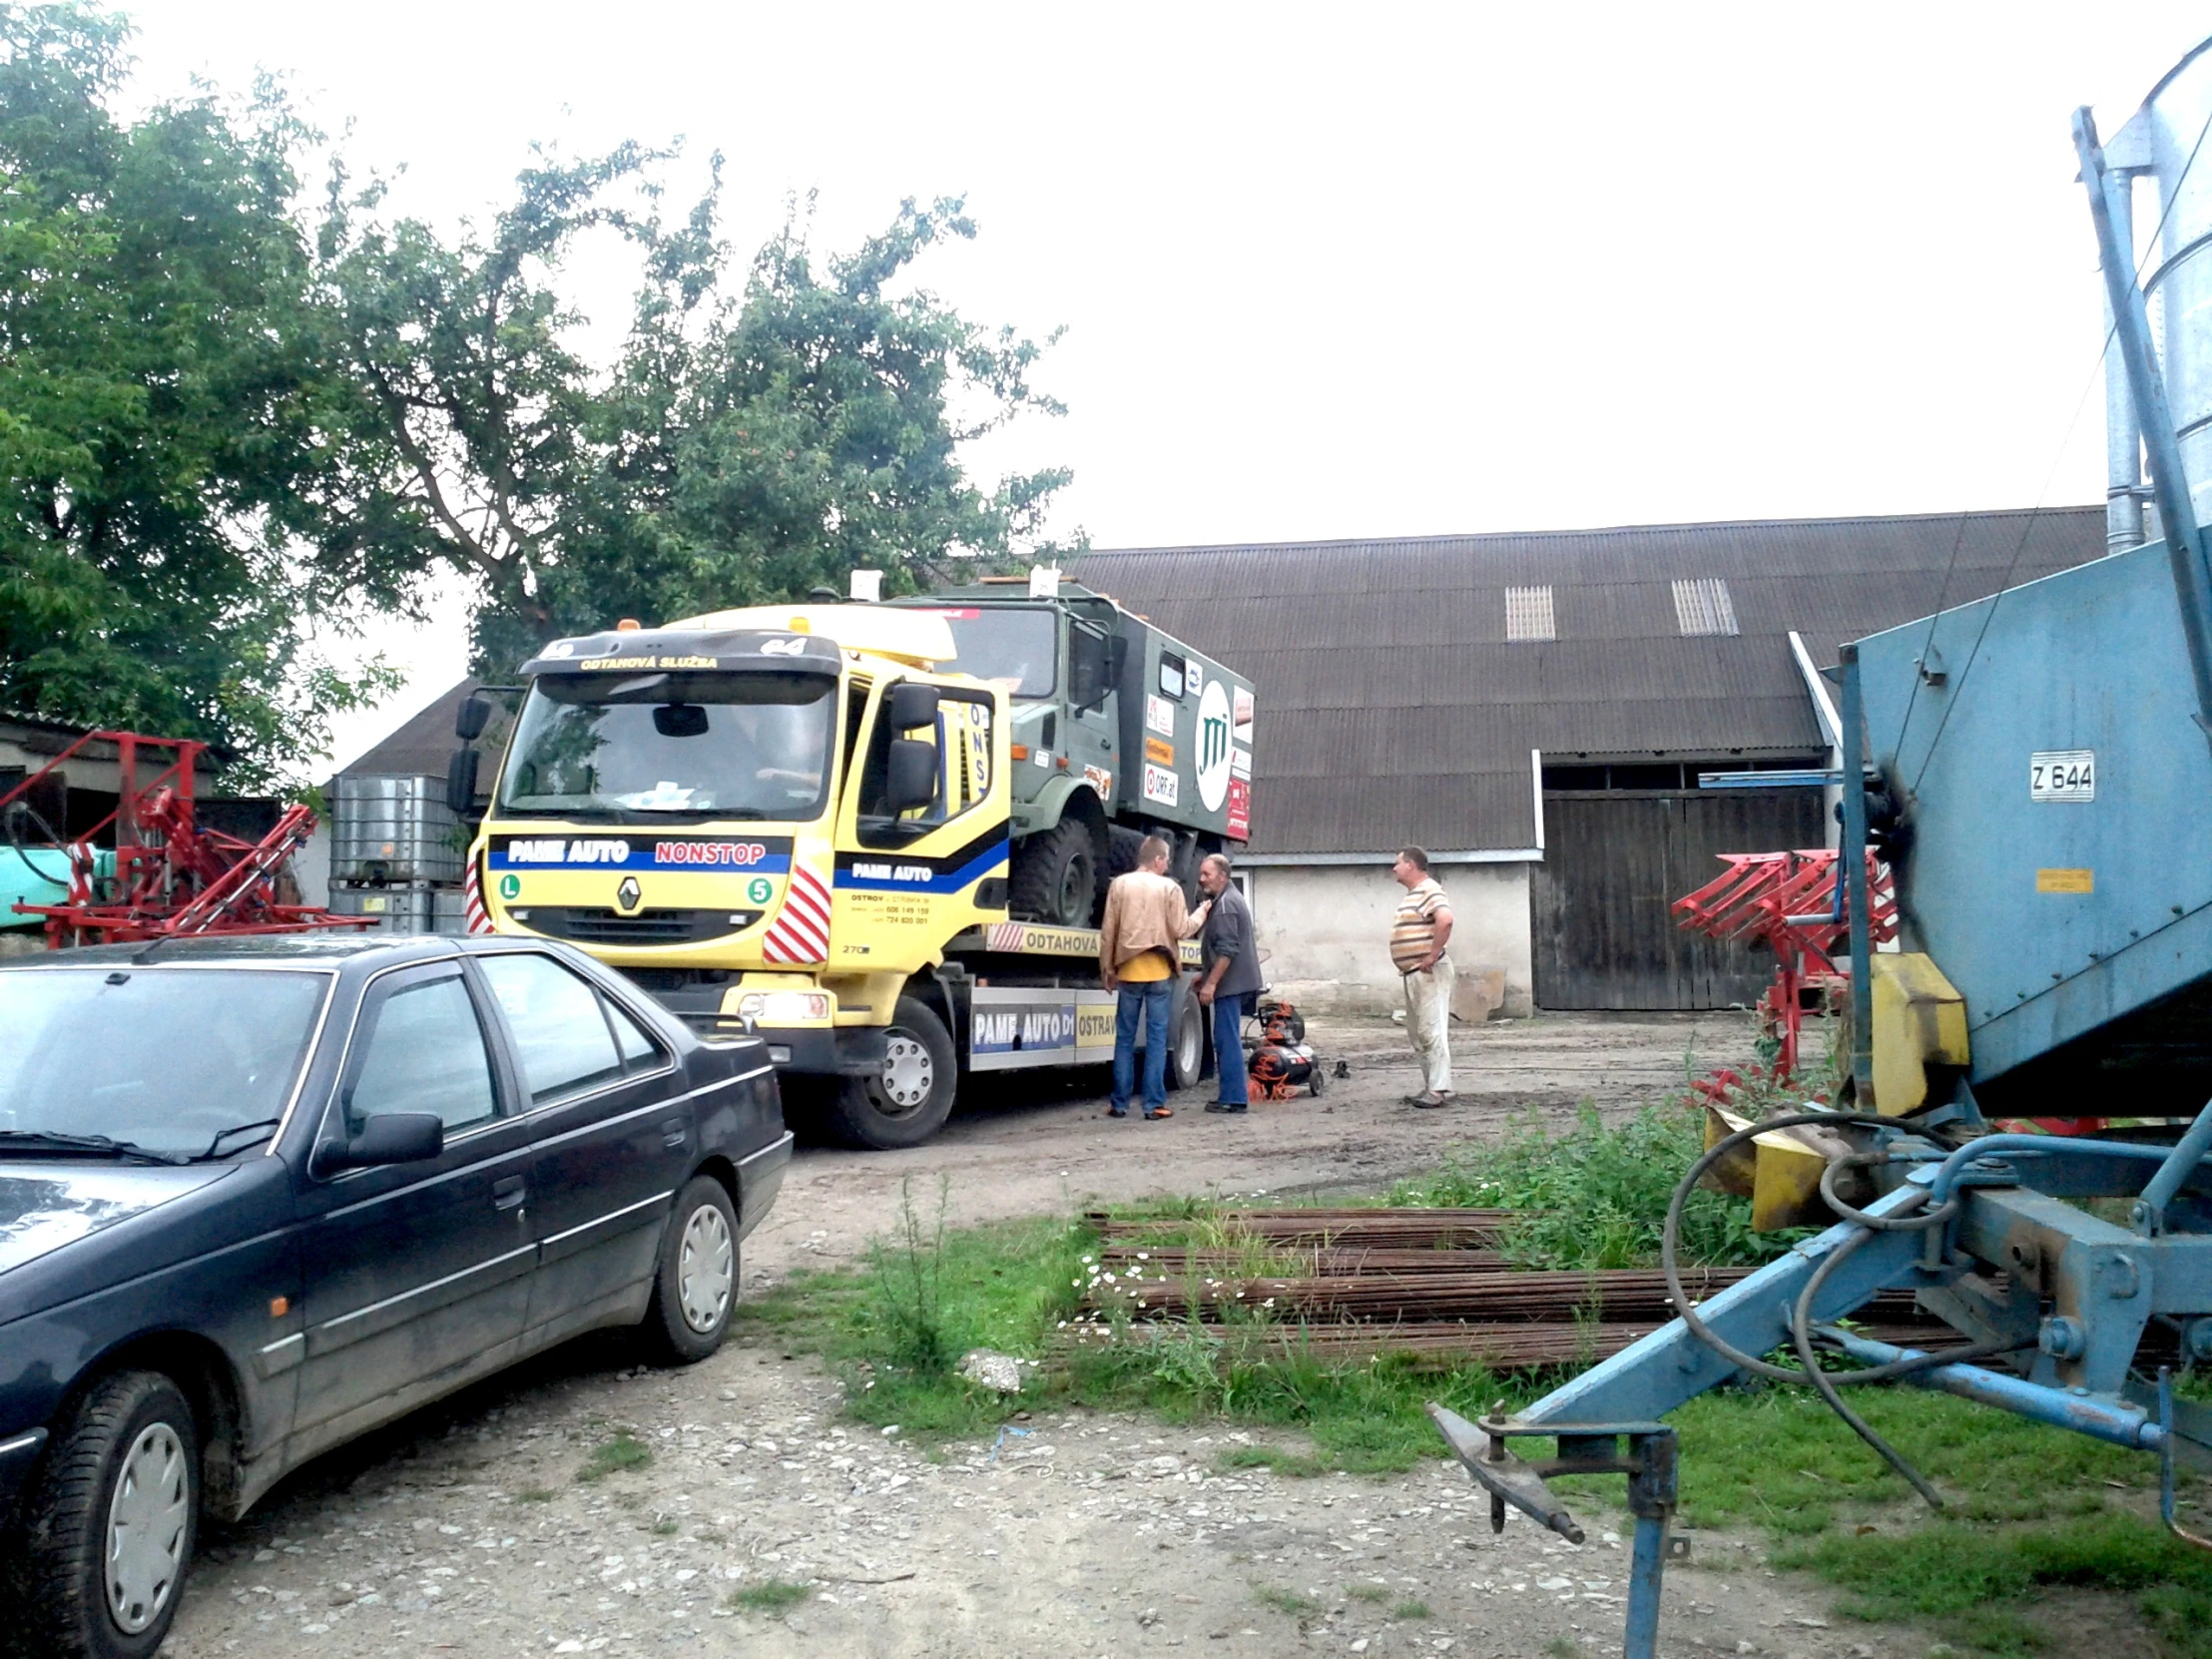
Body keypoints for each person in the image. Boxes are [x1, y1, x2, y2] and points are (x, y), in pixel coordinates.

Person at [1098, 835, 1190, 1120]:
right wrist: (1201, 914)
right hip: (1160, 973)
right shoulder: (1170, 888)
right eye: (1167, 861)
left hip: (1128, 972)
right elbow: (1181, 929)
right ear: (1158, 860)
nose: (1168, 866)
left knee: (1124, 1039)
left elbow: (1108, 931)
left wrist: (1107, 970)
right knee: (1156, 1040)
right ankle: (1153, 1105)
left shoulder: (1119, 885)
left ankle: (1119, 1103)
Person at [1193, 853, 1262, 1113]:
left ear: (1222, 876)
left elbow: (1228, 950)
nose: (1201, 879)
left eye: (1206, 874)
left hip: (1230, 986)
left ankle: (1233, 1099)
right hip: (1234, 982)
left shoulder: (1225, 906)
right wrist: (1206, 975)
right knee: (1226, 1038)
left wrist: (1211, 984)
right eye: (1201, 874)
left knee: (1226, 1040)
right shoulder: (1227, 900)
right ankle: (1231, 1096)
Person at [1389, 845, 1455, 1107]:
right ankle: (1433, 1085)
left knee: (1431, 1030)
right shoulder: (1413, 894)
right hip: (1413, 972)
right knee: (1418, 1033)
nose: (1393, 868)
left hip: (1428, 971)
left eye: (1397, 863)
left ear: (1411, 865)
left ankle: (1438, 1090)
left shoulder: (1430, 889)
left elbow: (1446, 919)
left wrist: (1432, 955)